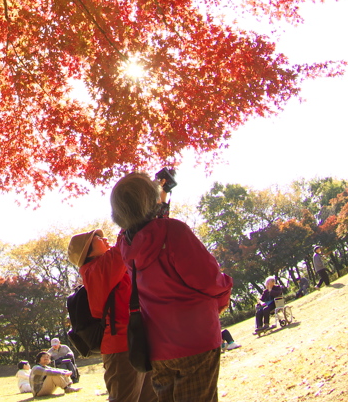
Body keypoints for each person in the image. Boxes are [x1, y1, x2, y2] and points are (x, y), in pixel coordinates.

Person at [112, 171, 233, 402]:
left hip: (157, 349)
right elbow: (208, 279)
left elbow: (146, 230)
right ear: (151, 200)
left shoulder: (125, 245)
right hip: (195, 340)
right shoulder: (174, 231)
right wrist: (225, 289)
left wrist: (161, 195)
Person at [69, 228, 156, 402]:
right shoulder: (96, 270)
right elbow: (125, 246)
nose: (105, 238)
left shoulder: (110, 268)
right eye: (98, 238)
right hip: (121, 346)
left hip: (137, 340)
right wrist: (129, 220)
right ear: (87, 251)